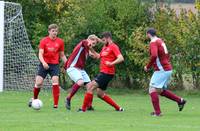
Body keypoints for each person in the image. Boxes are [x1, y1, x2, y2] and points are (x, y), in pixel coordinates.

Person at [144, 28, 186, 116]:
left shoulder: (153, 42)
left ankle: (158, 113)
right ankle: (180, 101)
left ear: (148, 34)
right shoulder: (160, 41)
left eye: (146, 34)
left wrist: (148, 66)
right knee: (159, 90)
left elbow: (154, 55)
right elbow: (166, 54)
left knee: (152, 89)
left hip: (162, 70)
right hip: (166, 68)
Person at [79, 32, 124, 112]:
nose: (102, 42)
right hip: (104, 72)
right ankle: (118, 108)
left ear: (108, 38)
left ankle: (83, 109)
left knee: (90, 87)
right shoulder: (105, 47)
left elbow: (121, 58)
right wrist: (91, 50)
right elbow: (98, 56)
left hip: (107, 72)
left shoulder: (113, 46)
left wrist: (111, 63)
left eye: (103, 40)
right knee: (100, 94)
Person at [28, 24, 67, 108]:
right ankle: (34, 99)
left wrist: (68, 65)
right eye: (53, 31)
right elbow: (40, 53)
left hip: (54, 65)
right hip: (44, 64)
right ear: (49, 31)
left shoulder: (60, 42)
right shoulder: (44, 41)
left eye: (56, 31)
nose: (54, 33)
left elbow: (62, 55)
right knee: (38, 83)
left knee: (55, 80)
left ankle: (55, 105)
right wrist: (43, 63)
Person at [64, 34, 99, 110]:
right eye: (93, 43)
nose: (93, 45)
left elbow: (94, 55)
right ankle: (68, 98)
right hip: (72, 67)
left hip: (80, 69)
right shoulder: (84, 42)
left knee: (90, 86)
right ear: (89, 39)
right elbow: (88, 44)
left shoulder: (86, 49)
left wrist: (96, 55)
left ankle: (89, 106)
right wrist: (95, 53)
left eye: (94, 44)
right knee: (80, 82)